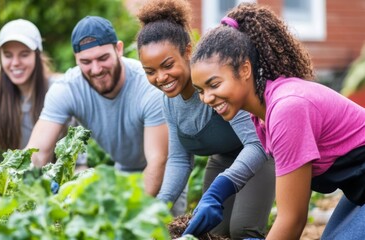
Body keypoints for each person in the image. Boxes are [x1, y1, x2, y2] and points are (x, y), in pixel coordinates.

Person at [188, 3, 365, 239]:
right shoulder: (262, 114)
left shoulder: (286, 109)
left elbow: (292, 220)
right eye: (200, 89)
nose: (207, 98)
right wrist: (221, 190)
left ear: (245, 70)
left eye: (214, 84)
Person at [136, 0, 275, 238]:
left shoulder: (216, 85)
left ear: (188, 51)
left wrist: (221, 187)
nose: (161, 77)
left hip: (260, 152)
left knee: (242, 229)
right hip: (222, 160)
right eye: (150, 71)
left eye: (167, 65)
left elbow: (256, 142)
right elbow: (180, 160)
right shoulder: (169, 102)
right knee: (214, 231)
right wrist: (158, 207)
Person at [25, 16, 181, 211]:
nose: (96, 69)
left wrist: (125, 215)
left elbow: (158, 161)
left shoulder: (147, 88)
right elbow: (37, 153)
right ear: (76, 59)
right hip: (123, 169)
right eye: (86, 61)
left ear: (119, 49)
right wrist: (27, 189)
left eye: (103, 58)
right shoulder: (67, 89)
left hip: (166, 173)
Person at [0, 19, 63, 165]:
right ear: (0, 57)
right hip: (16, 180)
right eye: (8, 55)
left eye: (24, 54)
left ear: (37, 55)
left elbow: (79, 153)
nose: (15, 62)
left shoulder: (57, 88)